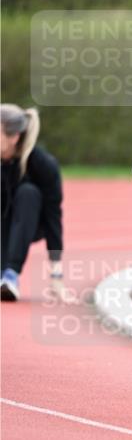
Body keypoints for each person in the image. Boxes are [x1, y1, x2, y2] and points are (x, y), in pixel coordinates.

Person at [1, 104, 67, 301]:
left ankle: (10, 274)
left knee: (28, 193)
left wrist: (56, 274)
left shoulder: (43, 165)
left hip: (28, 222)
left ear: (14, 137)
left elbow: (53, 217)